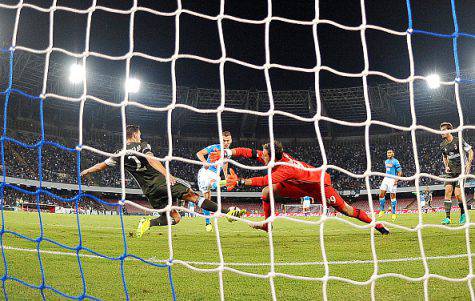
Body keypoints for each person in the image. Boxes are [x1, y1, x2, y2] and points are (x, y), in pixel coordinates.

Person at [80, 125, 246, 238]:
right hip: (161, 182)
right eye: (139, 134)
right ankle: (227, 212)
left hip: (149, 192)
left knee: (175, 218)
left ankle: (148, 222)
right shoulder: (142, 145)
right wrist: (167, 174)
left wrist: (86, 171)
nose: (141, 136)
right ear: (135, 134)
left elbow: (101, 166)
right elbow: (151, 160)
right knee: (192, 196)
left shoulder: (118, 153)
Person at [210, 141, 389, 234]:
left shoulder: (285, 168)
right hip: (296, 185)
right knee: (266, 193)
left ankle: (377, 225)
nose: (260, 156)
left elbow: (265, 179)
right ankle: (267, 225)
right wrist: (226, 153)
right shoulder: (275, 159)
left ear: (271, 156)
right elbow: (247, 152)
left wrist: (240, 181)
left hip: (319, 186)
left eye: (263, 154)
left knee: (347, 210)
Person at [196, 131, 232, 232]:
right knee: (207, 199)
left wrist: (226, 176)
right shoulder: (214, 147)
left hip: (215, 175)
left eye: (227, 141)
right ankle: (207, 222)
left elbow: (225, 165)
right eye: (224, 140)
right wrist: (204, 162)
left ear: (231, 140)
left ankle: (207, 222)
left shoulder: (228, 153)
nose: (226, 143)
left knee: (209, 196)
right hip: (205, 172)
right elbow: (199, 153)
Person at [439, 122, 473, 225]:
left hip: (461, 171)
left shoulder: (458, 141)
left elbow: (470, 151)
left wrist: (468, 163)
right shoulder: (442, 145)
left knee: (458, 194)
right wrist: (446, 166)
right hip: (450, 172)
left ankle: (463, 213)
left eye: (443, 130)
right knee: (448, 191)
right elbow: (445, 157)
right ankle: (447, 218)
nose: (441, 133)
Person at [378, 149, 402, 222]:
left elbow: (400, 172)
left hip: (392, 179)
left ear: (393, 154)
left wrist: (396, 180)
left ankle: (393, 213)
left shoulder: (395, 161)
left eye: (390, 152)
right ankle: (382, 210)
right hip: (386, 178)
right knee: (381, 194)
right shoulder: (386, 161)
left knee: (392, 196)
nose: (388, 153)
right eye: (388, 152)